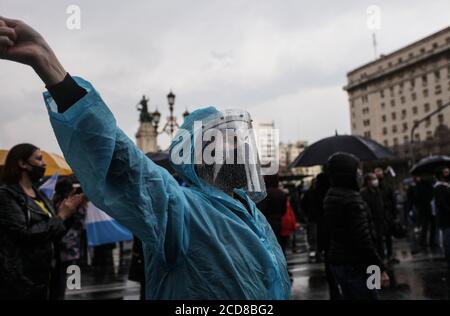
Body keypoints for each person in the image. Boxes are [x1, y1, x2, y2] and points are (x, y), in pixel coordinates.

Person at [0, 17, 290, 299]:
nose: (241, 149)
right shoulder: (181, 210)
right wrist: (45, 61)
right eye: (229, 141)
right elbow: (119, 160)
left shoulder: (250, 212)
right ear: (201, 156)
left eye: (241, 140)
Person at [0, 143, 84, 299]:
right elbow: (25, 235)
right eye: (39, 159)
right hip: (23, 281)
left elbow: (54, 233)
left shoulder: (40, 195)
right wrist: (61, 216)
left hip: (49, 275)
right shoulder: (6, 195)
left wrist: (71, 211)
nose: (44, 164)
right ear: (22, 163)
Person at [323, 153, 389, 300]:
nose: (360, 174)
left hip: (341, 262)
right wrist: (379, 268)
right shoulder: (352, 199)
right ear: (347, 173)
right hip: (358, 264)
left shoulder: (331, 195)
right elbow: (363, 240)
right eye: (356, 170)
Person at [361, 173, 388, 260]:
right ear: (368, 181)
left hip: (380, 219)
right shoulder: (363, 193)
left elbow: (381, 204)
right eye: (373, 179)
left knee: (380, 240)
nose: (375, 181)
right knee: (374, 241)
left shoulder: (377, 191)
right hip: (371, 220)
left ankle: (382, 257)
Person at [433, 167, 450, 296]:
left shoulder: (446, 186)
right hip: (446, 220)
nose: (447, 173)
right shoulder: (439, 188)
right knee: (447, 240)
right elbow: (443, 204)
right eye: (445, 171)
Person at [374, 168, 397, 262]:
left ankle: (388, 254)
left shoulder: (386, 187)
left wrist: (393, 214)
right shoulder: (374, 188)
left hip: (386, 215)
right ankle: (383, 254)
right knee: (380, 237)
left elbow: (392, 200)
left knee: (386, 236)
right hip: (379, 215)